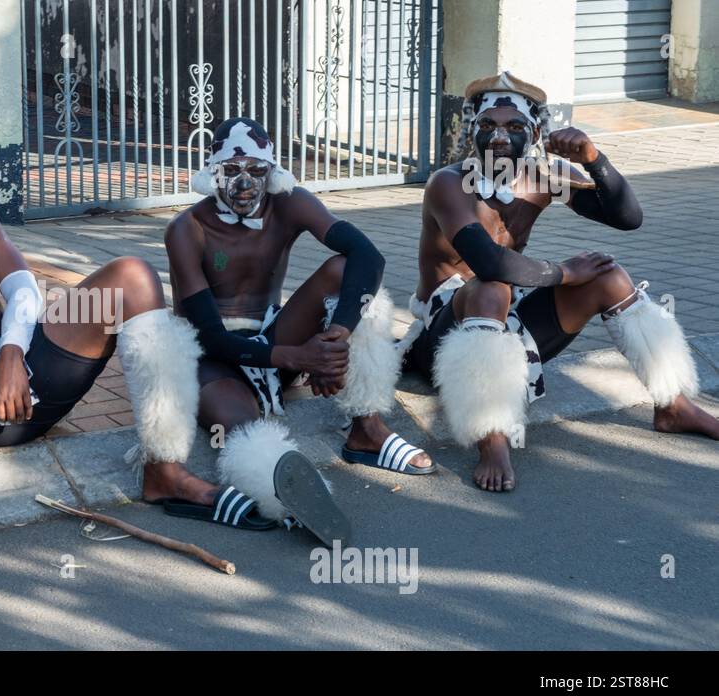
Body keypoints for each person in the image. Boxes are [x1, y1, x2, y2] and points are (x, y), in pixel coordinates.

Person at [0, 82, 279, 532]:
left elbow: (23, 288)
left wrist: (13, 352)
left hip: (24, 391)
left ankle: (164, 468)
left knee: (132, 276)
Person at [406, 71, 718, 492]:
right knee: (490, 287)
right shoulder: (449, 183)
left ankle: (673, 405)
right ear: (471, 130)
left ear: (534, 131)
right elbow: (487, 262)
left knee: (608, 276)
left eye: (514, 126)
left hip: (507, 327)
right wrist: (565, 273)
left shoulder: (543, 175)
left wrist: (593, 158)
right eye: (488, 125)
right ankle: (492, 437)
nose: (499, 137)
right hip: (443, 339)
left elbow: (627, 218)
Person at [164, 116, 433, 542]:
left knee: (347, 276)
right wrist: (298, 358)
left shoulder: (290, 202)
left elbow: (369, 257)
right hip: (214, 356)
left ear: (272, 172)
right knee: (243, 426)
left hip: (275, 339)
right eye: (232, 171)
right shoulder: (186, 229)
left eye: (256, 170)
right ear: (213, 171)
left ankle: (367, 430)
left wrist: (337, 337)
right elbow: (209, 336)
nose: (245, 183)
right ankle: (279, 486)